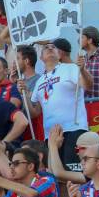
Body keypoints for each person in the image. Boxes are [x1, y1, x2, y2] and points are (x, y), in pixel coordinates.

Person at [19, 39, 89, 170]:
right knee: (56, 175)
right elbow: (34, 113)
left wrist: (83, 71)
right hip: (50, 136)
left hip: (74, 130)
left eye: (53, 47)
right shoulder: (40, 81)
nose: (50, 48)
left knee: (74, 176)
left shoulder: (70, 68)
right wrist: (25, 95)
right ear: (41, 57)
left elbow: (87, 85)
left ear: (59, 54)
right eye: (46, 47)